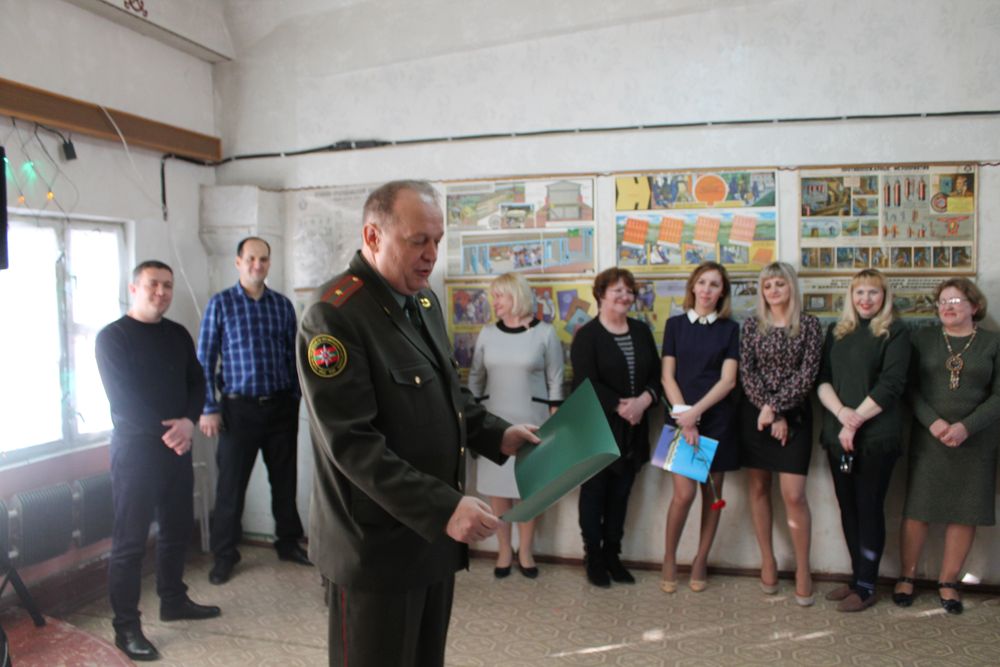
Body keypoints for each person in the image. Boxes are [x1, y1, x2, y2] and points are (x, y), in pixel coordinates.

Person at [297, 180, 539, 667]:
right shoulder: (334, 315)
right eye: (418, 241)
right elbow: (352, 444)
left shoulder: (422, 303)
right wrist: (445, 506)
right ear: (373, 236)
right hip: (375, 548)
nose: (431, 254)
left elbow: (449, 397)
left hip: (430, 538)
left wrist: (498, 435)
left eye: (437, 240)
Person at [96, 261, 221, 662]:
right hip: (136, 452)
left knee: (176, 529)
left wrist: (188, 420)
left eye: (168, 285)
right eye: (153, 284)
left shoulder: (177, 333)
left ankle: (173, 599)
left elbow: (197, 381)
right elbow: (123, 400)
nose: (162, 292)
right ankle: (126, 627)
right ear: (134, 288)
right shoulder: (112, 337)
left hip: (177, 448)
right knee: (130, 542)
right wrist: (173, 431)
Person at [197, 236, 310, 585]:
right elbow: (204, 359)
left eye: (263, 259)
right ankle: (225, 555)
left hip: (280, 407)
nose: (257, 265)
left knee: (285, 481)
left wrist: (295, 396)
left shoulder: (282, 305)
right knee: (230, 487)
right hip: (237, 410)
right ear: (238, 262)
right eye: (250, 259)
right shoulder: (221, 304)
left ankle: (288, 543)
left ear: (269, 263)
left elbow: (294, 356)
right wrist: (208, 407)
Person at [894, 278, 1000, 615]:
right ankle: (907, 576)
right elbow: (909, 388)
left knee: (965, 510)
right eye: (942, 302)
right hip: (930, 437)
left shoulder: (993, 342)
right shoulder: (922, 339)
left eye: (955, 301)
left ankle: (949, 581)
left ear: (974, 306)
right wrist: (933, 422)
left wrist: (967, 427)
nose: (947, 307)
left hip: (976, 441)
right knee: (918, 508)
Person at [816, 268, 910, 612]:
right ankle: (857, 579)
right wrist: (842, 414)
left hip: (876, 438)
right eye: (859, 293)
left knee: (869, 508)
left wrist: (854, 420)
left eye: (873, 292)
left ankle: (868, 586)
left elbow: (892, 384)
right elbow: (822, 379)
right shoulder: (837, 331)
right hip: (837, 435)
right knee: (848, 507)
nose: (865, 299)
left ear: (884, 296)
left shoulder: (895, 331)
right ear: (851, 297)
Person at [468, 272, 564, 579]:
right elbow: (475, 377)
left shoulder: (545, 333)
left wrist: (554, 418)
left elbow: (556, 378)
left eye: (500, 296)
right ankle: (503, 550)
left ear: (517, 296)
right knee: (498, 490)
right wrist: (472, 417)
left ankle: (526, 551)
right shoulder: (487, 334)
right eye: (493, 296)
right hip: (493, 422)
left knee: (528, 488)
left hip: (532, 421)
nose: (494, 301)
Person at [570, 267, 661, 588]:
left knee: (621, 495)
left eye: (629, 291)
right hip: (598, 428)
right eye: (617, 290)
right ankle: (593, 557)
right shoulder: (587, 336)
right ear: (601, 295)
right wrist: (623, 406)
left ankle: (613, 555)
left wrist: (643, 402)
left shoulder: (641, 331)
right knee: (594, 495)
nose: (625, 296)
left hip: (634, 430)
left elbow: (656, 376)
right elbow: (585, 383)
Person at [739, 262, 822, 606]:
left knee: (794, 496)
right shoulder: (751, 326)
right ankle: (767, 560)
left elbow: (808, 374)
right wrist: (767, 410)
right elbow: (747, 373)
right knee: (759, 488)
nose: (773, 290)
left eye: (780, 284)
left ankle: (803, 569)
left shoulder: (810, 325)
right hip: (756, 416)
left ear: (791, 287)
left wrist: (777, 409)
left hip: (795, 417)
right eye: (768, 285)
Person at [660, 261, 740, 594]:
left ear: (722, 293)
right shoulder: (674, 325)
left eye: (714, 285)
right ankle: (669, 557)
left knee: (712, 495)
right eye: (702, 282)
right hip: (679, 419)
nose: (707, 290)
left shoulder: (730, 329)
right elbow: (667, 377)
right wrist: (685, 416)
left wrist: (697, 413)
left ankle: (700, 559)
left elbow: (728, 381)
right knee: (684, 494)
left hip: (717, 419)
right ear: (693, 286)